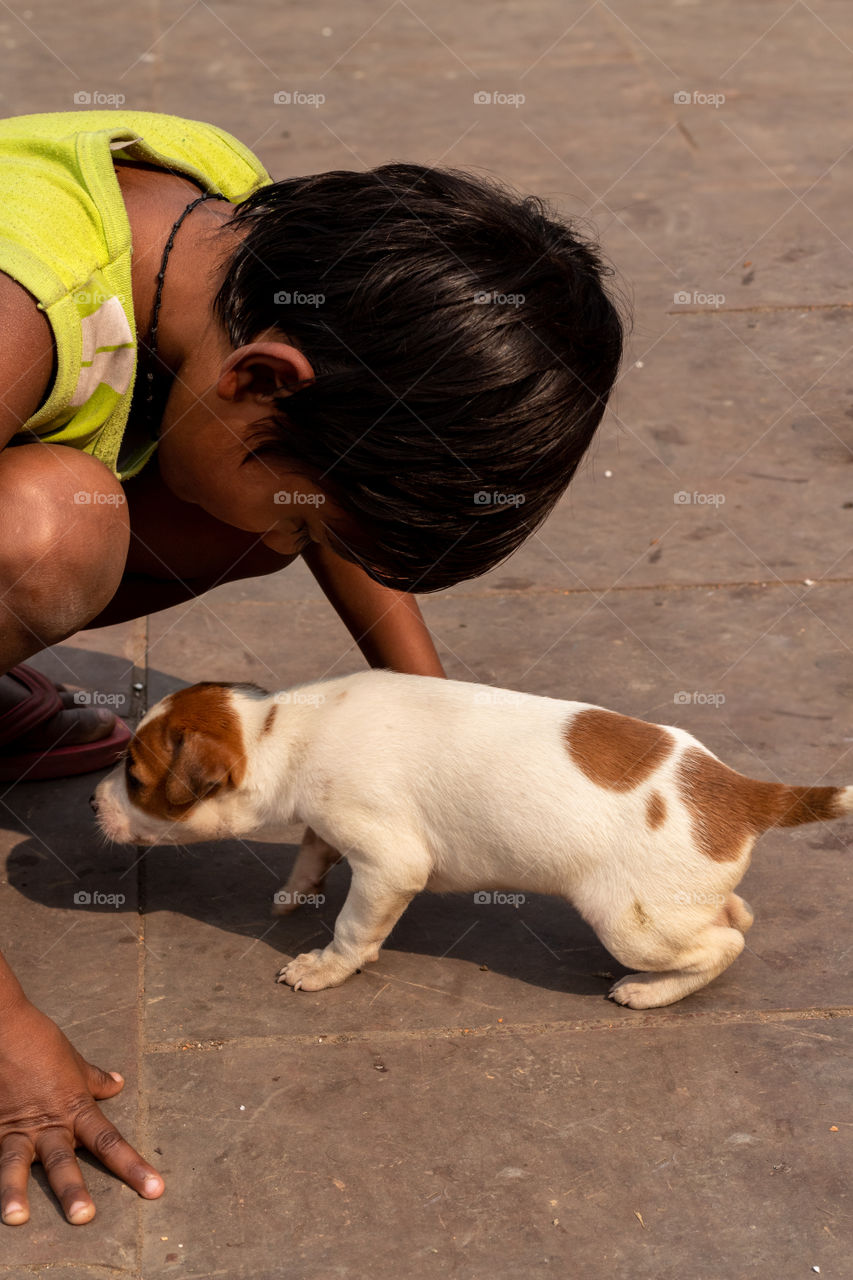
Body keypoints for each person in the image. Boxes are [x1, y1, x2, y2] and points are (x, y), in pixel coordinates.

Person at [0, 109, 626, 1226]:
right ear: (259, 378)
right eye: (316, 524)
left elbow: (324, 492)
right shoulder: (19, 314)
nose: (294, 550)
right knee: (53, 529)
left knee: (252, 508)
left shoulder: (237, 233)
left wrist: (436, 733)